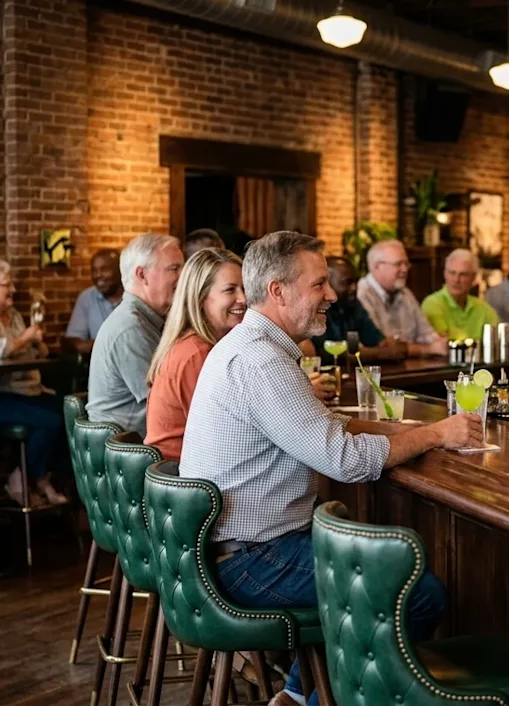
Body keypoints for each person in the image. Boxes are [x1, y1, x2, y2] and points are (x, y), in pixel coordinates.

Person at [179, 231, 483, 706]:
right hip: (250, 558)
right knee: (416, 594)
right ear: (278, 291)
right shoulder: (261, 359)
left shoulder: (257, 344)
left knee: (371, 570)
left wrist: (395, 428)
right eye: (319, 283)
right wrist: (437, 435)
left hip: (239, 547)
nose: (332, 294)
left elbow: (323, 424)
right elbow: (343, 460)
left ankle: (299, 694)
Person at [0, 258, 68, 506]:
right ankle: (25, 476)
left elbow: (36, 353)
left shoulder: (13, 314)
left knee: (74, 416)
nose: (14, 290)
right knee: (52, 420)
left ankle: (42, 476)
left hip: (25, 391)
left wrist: (37, 342)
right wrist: (28, 336)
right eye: (7, 284)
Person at [144, 248, 247, 460]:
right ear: (200, 298)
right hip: (183, 479)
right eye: (230, 290)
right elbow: (225, 432)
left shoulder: (199, 344)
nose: (243, 299)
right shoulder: (197, 353)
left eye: (244, 289)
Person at [87, 233, 184, 436]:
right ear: (142, 275)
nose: (183, 277)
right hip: (129, 454)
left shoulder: (145, 320)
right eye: (174, 269)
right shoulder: (130, 328)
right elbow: (166, 403)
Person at [299, 256, 408, 364]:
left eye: (356, 282)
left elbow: (376, 340)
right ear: (327, 283)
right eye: (347, 282)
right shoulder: (314, 309)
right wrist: (382, 353)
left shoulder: (352, 304)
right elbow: (331, 354)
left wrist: (387, 345)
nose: (354, 288)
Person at [356, 240, 448, 356]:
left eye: (406, 264)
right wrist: (428, 349)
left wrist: (439, 342)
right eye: (398, 264)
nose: (405, 269)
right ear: (377, 266)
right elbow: (383, 346)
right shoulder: (361, 294)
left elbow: (428, 335)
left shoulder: (406, 294)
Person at [420, 249, 500, 341]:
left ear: (473, 278)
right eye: (452, 273)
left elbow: (498, 340)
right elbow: (442, 343)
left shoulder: (484, 310)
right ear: (444, 274)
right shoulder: (432, 304)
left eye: (463, 275)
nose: (456, 280)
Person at [62, 249, 123, 356]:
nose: (98, 275)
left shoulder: (136, 296)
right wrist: (112, 346)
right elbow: (75, 342)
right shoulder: (87, 298)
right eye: (94, 270)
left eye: (105, 269)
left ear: (120, 270)